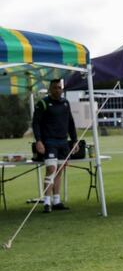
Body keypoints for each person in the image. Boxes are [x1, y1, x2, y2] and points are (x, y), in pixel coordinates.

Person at [32, 79, 77, 213]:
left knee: (59, 171)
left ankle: (56, 201)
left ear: (62, 89)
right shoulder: (43, 103)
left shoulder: (65, 103)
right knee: (51, 169)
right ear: (50, 89)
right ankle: (46, 202)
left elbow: (70, 122)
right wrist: (38, 141)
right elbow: (36, 123)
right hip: (49, 142)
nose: (58, 90)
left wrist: (74, 140)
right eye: (55, 88)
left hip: (63, 142)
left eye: (59, 87)